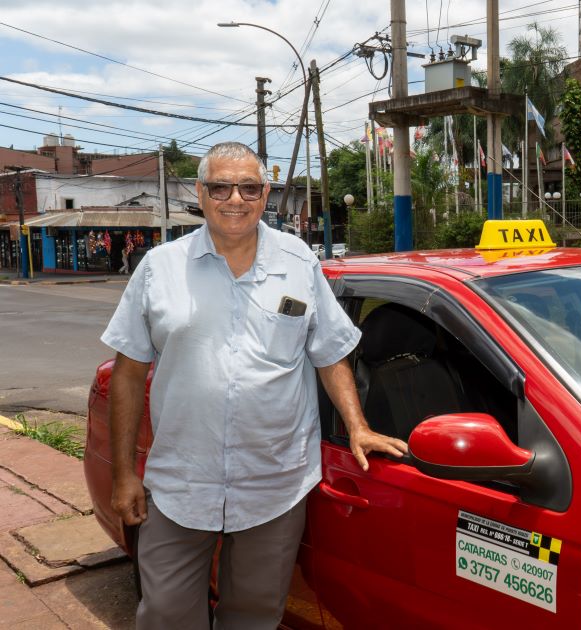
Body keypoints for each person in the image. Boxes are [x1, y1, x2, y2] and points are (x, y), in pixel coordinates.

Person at [102, 142, 408, 629]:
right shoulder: (160, 267)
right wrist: (123, 475)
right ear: (201, 194)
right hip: (182, 483)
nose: (235, 199)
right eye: (221, 186)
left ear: (266, 194)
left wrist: (357, 425)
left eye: (248, 187)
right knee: (164, 615)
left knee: (256, 617)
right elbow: (129, 371)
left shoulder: (299, 262)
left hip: (275, 485)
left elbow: (329, 353)